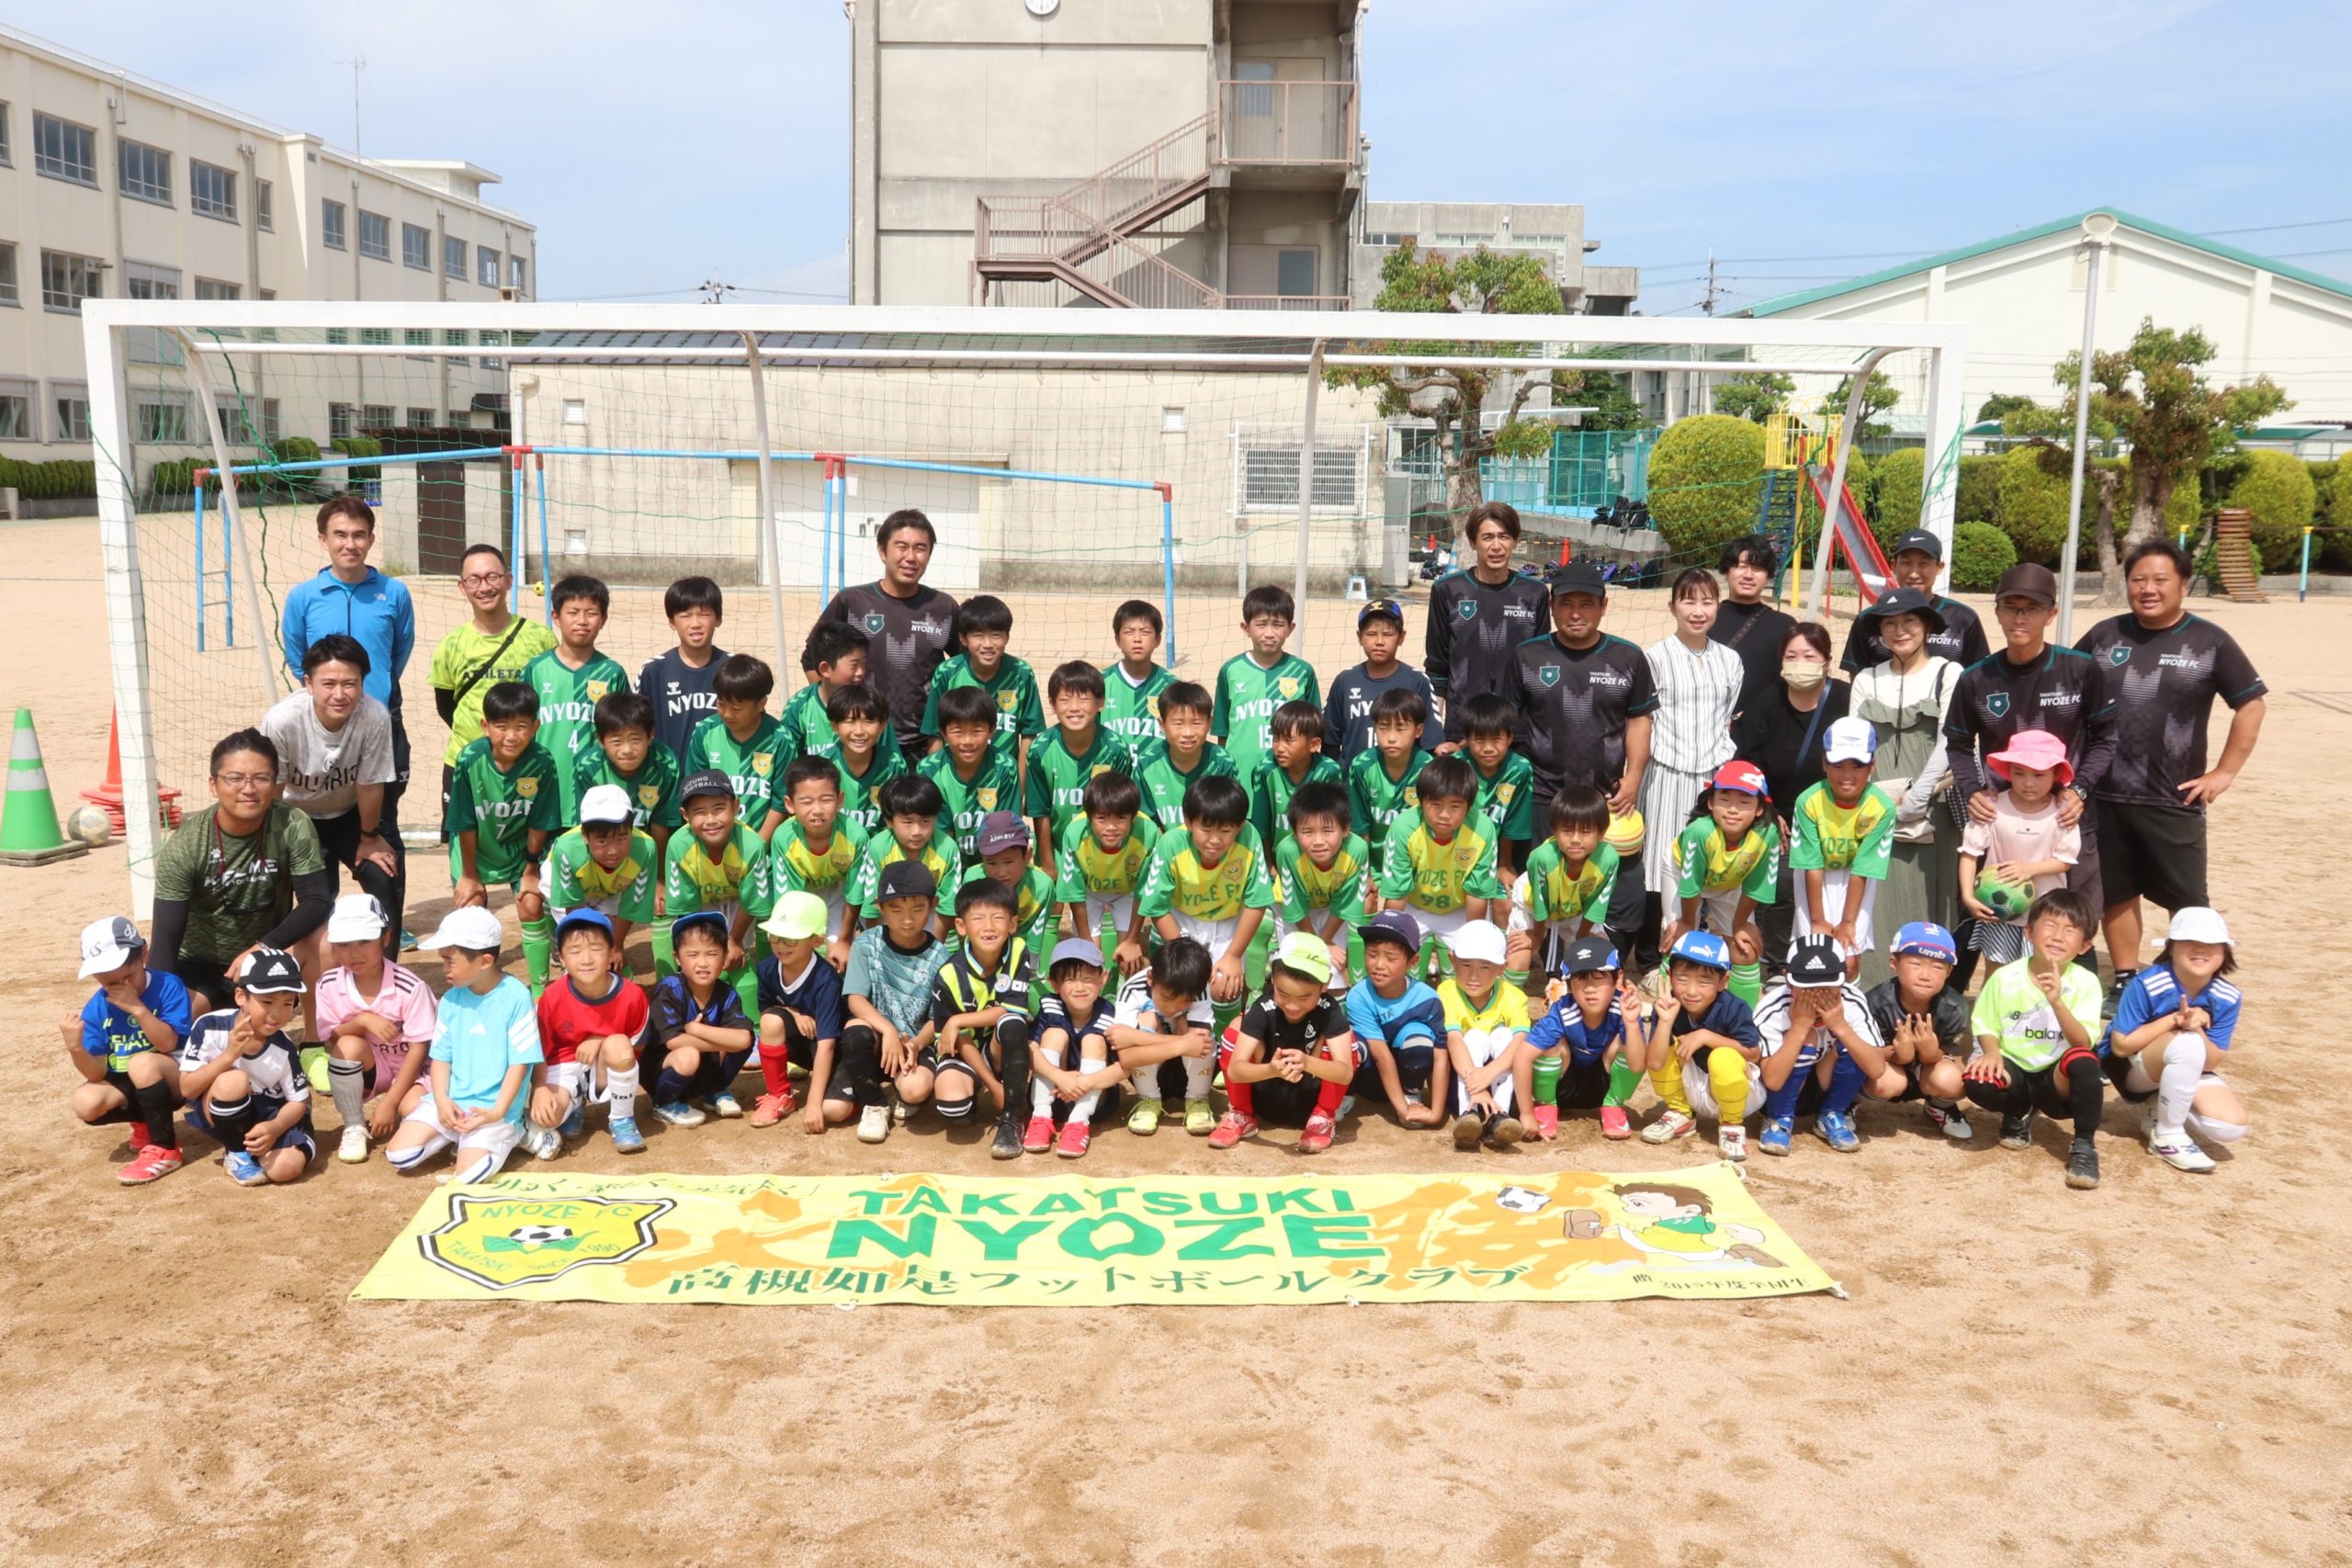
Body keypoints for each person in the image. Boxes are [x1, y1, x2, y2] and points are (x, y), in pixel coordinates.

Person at [2073, 539, 2267, 994]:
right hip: (2104, 793)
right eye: (2138, 579)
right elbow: (2066, 686)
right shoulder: (2104, 635)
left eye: (2160, 579)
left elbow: (2251, 704)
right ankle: (2125, 979)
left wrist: (2224, 773)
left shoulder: (2210, 641)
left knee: (2189, 900)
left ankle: (2192, 984)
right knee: (2117, 893)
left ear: (2183, 584)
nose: (2148, 589)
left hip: (2173, 796)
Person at [1944, 563, 2113, 983]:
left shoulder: (2080, 670)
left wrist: (2080, 789)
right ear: (1997, 612)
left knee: (2073, 922)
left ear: (2051, 614)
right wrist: (1972, 790)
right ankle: (1969, 1002)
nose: (2020, 617)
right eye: (2011, 607)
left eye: (2032, 608)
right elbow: (1958, 745)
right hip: (2001, 821)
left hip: (2065, 817)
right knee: (1990, 922)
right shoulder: (1976, 678)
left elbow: (2106, 739)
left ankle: (2075, 1011)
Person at [279, 494, 415, 931]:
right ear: (324, 540)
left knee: (381, 824)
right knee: (317, 837)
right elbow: (299, 656)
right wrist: (334, 697)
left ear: (371, 539)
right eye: (340, 534)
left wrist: (371, 697)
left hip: (379, 724)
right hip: (324, 727)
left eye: (359, 535)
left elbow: (398, 653)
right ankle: (325, 924)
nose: (350, 543)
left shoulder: (395, 593)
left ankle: (389, 923)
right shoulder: (303, 597)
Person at [1511, 558, 1657, 961]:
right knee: (1545, 889)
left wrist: (1634, 778)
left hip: (1607, 798)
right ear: (1552, 606)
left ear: (1604, 605)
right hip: (1545, 796)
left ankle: (1596, 961)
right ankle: (1550, 967)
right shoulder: (1527, 655)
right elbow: (1509, 724)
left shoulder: (1628, 657)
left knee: (1618, 894)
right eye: (1566, 603)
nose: (1576, 613)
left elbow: (1639, 720)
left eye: (1586, 604)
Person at [148, 729, 332, 1013]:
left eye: (261, 778)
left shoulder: (292, 823)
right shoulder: (187, 844)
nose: (248, 789)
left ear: (274, 783)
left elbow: (317, 900)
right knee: (173, 1023)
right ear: (213, 785)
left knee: (326, 939)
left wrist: (265, 946)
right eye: (234, 778)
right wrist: (155, 1005)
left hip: (267, 960)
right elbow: (165, 938)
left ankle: (314, 1036)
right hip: (200, 970)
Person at [1846, 586, 1964, 987]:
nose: (1899, 631)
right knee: (1875, 900)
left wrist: (1916, 798)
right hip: (1876, 807)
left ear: (1927, 626)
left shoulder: (1948, 673)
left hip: (1935, 805)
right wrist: (1877, 804)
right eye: (1889, 624)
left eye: (1909, 621)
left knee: (1932, 900)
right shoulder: (1866, 679)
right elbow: (1856, 744)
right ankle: (1875, 993)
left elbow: (1950, 740)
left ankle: (1929, 996)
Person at [1964, 888, 2107, 1190]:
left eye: (2070, 930)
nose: (2058, 936)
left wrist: (2056, 1001)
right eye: (2050, 925)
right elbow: (1985, 1022)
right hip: (2014, 1067)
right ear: (2029, 932)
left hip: (2056, 1079)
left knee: (2085, 1062)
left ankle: (2084, 1145)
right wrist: (1991, 1052)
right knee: (1977, 1079)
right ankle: (2016, 1112)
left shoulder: (2086, 982)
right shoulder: (2005, 977)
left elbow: (2082, 1042)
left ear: (2085, 945)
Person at [384, 907, 540, 1182]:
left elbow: (520, 1063)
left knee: (469, 1176)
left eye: (450, 961)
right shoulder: (449, 1000)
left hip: (495, 1108)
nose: (444, 968)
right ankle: (460, 1134)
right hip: (455, 1100)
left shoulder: (516, 997)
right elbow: (441, 1058)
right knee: (399, 1155)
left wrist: (498, 1112)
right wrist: (442, 1101)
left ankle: (516, 1129)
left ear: (485, 961)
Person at [1730, 622, 1850, 974]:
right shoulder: (1768, 701)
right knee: (1780, 888)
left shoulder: (1846, 699)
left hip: (1836, 815)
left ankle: (1831, 965)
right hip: (1781, 816)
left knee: (1833, 895)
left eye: (1809, 656)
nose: (1800, 664)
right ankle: (1777, 968)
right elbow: (1746, 762)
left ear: (1827, 661)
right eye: (1791, 656)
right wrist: (1766, 808)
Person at [1641, 569, 1745, 953]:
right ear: (1672, 607)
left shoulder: (1730, 660)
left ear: (1718, 606)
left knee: (1707, 862)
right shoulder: (1654, 658)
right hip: (1666, 773)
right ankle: (1656, 956)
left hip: (1714, 779)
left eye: (1707, 601)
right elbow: (1645, 719)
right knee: (1662, 862)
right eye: (1688, 601)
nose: (1698, 611)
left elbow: (1726, 718)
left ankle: (1702, 950)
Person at [260, 634, 398, 920]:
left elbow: (370, 785)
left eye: (350, 683)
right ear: (309, 684)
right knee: (314, 897)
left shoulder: (374, 716)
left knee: (384, 875)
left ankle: (387, 950)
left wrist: (370, 837)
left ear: (362, 683)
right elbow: (274, 789)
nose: (339, 694)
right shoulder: (283, 720)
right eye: (329, 684)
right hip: (296, 817)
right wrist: (273, 841)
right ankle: (285, 948)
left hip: (349, 815)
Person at [2102, 906, 2247, 1175]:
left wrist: (2198, 1027)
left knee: (2230, 1126)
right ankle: (2168, 1136)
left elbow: (2211, 1061)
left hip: (2184, 1061)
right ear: (2170, 947)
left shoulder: (2228, 996)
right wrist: (2174, 1020)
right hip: (2129, 1069)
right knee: (2186, 1043)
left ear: (2225, 950)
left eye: (2212, 943)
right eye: (2189, 941)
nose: (2201, 949)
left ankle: (2159, 1106)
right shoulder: (2148, 983)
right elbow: (2120, 1046)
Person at [428, 542, 553, 833]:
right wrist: (481, 738)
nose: (484, 587)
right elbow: (446, 707)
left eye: (492, 577)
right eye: (474, 580)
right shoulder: (451, 645)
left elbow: (548, 698)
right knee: (465, 852)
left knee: (527, 850)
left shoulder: (539, 638)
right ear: (462, 587)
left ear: (508, 580)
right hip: (466, 763)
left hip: (525, 764)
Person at [444, 682, 562, 987]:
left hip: (521, 850)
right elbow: (464, 821)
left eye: (521, 727)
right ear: (485, 726)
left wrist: (531, 870)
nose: (511, 736)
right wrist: (469, 875)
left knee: (531, 904)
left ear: (535, 727)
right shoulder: (469, 759)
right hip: (476, 850)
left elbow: (541, 820)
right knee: (470, 911)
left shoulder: (542, 762)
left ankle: (539, 989)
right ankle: (479, 987)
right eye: (501, 726)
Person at [62, 915, 194, 1186]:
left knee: (142, 1064)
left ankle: (165, 1148)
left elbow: (168, 1044)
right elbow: (97, 1073)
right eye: (109, 983)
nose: (122, 988)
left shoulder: (168, 985)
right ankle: (145, 1121)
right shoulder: (97, 1007)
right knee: (85, 1102)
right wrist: (75, 1047)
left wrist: (138, 1009)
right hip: (132, 1079)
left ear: (144, 954)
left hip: (175, 1072)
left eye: (127, 977)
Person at [817, 508, 961, 750]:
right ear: (882, 551)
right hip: (864, 744)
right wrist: (838, 709)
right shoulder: (852, 602)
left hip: (926, 745)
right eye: (901, 547)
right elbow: (812, 658)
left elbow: (966, 667)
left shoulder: (943, 607)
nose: (911, 557)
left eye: (920, 548)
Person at [1749, 935, 1903, 1157]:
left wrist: (1841, 1027)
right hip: (1779, 1089)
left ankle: (1832, 1113)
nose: (1818, 996)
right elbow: (1772, 1080)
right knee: (1808, 1038)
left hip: (1825, 1081)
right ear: (1788, 981)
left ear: (1843, 979)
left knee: (1854, 1044)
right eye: (1807, 988)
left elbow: (1877, 1068)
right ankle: (1779, 1119)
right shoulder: (1772, 1007)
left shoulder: (1852, 1000)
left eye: (1827, 987)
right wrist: (1799, 1029)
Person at [1136, 774, 1273, 1022]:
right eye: (1206, 829)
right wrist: (1184, 956)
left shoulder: (1249, 837)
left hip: (1228, 920)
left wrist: (1232, 956)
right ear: (1188, 822)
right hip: (1182, 920)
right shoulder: (1171, 844)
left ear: (1239, 826)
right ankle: (1175, 1027)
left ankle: (1224, 1038)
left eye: (1226, 831)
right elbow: (1157, 907)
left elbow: (1257, 901)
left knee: (1223, 986)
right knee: (1185, 982)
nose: (1215, 840)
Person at [175, 948, 316, 1187]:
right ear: (241, 996)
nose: (276, 1013)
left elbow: (299, 1102)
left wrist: (275, 1127)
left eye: (287, 1003)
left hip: (273, 1114)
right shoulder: (210, 1026)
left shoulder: (283, 1047)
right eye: (267, 1002)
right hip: (223, 1105)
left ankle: (258, 1148)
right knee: (233, 1080)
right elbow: (187, 1089)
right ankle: (237, 1152)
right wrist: (229, 1056)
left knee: (285, 1169)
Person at [314, 893, 436, 1166]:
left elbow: (419, 1049)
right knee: (346, 1046)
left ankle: (414, 1113)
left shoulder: (410, 987)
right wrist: (362, 1021)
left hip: (415, 1069)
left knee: (412, 1109)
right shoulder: (328, 984)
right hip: (376, 1064)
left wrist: (390, 1103)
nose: (354, 953)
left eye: (364, 941)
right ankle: (354, 1125)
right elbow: (332, 1037)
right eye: (343, 944)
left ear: (386, 937)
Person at [1210, 932, 1357, 1155]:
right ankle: (1242, 1114)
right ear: (1273, 979)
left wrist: (1306, 1062)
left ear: (1325, 984)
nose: (1292, 1006)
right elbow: (1235, 1071)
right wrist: (1271, 1070)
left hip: (1310, 1101)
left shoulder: (1330, 1011)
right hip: (1266, 1097)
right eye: (1283, 994)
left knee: (1346, 1039)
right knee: (1235, 1030)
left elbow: (1345, 1073)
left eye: (1304, 997)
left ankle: (1323, 1116)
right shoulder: (1262, 1008)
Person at [838, 860, 952, 1144]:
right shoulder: (866, 944)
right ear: (880, 908)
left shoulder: (941, 956)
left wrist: (916, 1044)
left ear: (933, 905)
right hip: (878, 1041)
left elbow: (938, 1018)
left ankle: (902, 1088)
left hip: (914, 1044)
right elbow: (856, 999)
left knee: (915, 1090)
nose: (907, 919)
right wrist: (887, 1029)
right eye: (896, 910)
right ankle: (875, 1103)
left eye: (917, 909)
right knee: (854, 1031)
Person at [1424, 500, 1551, 744]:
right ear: (1473, 542)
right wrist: (1435, 737)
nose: (1496, 546)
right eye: (1487, 537)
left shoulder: (1534, 594)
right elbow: (1437, 670)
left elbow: (1540, 668)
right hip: (1463, 732)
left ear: (1515, 541)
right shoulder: (1448, 591)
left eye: (1504, 537)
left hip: (1517, 734)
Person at [931, 874, 1040, 1152]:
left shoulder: (1018, 950)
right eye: (978, 919)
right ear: (961, 926)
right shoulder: (949, 974)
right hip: (965, 1051)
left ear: (1013, 924)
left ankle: (1012, 1119)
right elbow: (960, 1039)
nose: (989, 927)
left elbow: (1010, 1009)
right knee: (955, 1108)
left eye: (998, 918)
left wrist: (958, 1020)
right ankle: (985, 1090)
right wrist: (993, 1087)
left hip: (998, 1050)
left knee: (1013, 1022)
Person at [527, 908, 650, 1155]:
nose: (586, 959)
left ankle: (622, 1119)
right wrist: (540, 1087)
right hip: (563, 1064)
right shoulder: (552, 997)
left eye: (596, 949)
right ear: (561, 958)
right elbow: (538, 1051)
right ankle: (574, 1103)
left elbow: (637, 1046)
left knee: (619, 1045)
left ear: (612, 953)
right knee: (547, 1118)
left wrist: (601, 1040)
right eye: (575, 951)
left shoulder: (632, 995)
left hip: (604, 1063)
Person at [1957, 729, 2080, 967]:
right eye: (2019, 773)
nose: (2028, 782)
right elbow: (1969, 853)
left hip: (2046, 914)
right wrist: (1968, 896)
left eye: (2039, 774)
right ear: (2008, 771)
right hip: (1999, 913)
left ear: (2056, 774)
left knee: (2042, 972)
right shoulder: (1991, 807)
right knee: (1996, 971)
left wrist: (2029, 869)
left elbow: (2065, 860)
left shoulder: (2063, 812)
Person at [1636, 929, 1764, 1159]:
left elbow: (1753, 1053)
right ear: (1670, 975)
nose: (1691, 991)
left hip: (1740, 1093)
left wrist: (1705, 1036)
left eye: (1704, 980)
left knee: (1723, 1057)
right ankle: (1681, 1113)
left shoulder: (1734, 1008)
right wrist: (1665, 1022)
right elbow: (1655, 1063)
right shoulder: (1667, 1005)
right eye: (1683, 979)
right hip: (1695, 1088)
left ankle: (1732, 1125)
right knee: (1663, 1045)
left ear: (1723, 981)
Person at [1663, 760, 1780, 1007]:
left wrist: (1740, 924)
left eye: (1745, 802)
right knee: (1679, 941)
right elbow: (1692, 884)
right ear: (1711, 802)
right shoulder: (1700, 832)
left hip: (1731, 880)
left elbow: (1758, 885)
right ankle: (1669, 1011)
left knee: (1745, 948)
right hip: (1681, 874)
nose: (1733, 809)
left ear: (1760, 808)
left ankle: (1743, 1017)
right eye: (1724, 799)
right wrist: (1687, 923)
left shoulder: (1768, 834)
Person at [662, 770, 778, 1010]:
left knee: (737, 957)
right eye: (700, 812)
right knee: (707, 959)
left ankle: (762, 1006)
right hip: (702, 902)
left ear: (735, 807)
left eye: (718, 808)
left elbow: (752, 902)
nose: (711, 820)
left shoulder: (752, 844)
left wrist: (734, 940)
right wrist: (706, 947)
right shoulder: (679, 845)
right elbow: (687, 907)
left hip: (739, 900)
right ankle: (687, 999)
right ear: (685, 815)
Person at [1789, 716, 1897, 976]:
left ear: (1872, 765)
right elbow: (1811, 865)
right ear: (1824, 763)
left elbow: (1863, 868)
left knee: (1848, 963)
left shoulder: (1883, 808)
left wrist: (1848, 921)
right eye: (1837, 765)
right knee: (1815, 953)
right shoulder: (1808, 801)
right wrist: (1817, 920)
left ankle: (1847, 1003)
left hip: (1856, 877)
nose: (1847, 775)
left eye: (1857, 765)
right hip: (1813, 875)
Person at [1376, 754, 1504, 970]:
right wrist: (1391, 939)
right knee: (1391, 962)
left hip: (1460, 909)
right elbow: (1397, 895)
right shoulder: (1403, 828)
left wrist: (1472, 940)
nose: (1444, 815)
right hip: (1414, 907)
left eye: (1455, 806)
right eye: (1435, 804)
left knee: (1474, 965)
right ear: (1421, 801)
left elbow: (1477, 894)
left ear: (1469, 806)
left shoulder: (1483, 829)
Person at [524, 574, 631, 822]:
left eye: (591, 613)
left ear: (603, 619)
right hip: (545, 788)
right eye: (573, 612)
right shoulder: (536, 669)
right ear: (556, 617)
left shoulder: (612, 672)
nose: (582, 621)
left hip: (598, 790)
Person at [1521, 935, 1646, 1140]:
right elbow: (1523, 1057)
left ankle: (1613, 1106)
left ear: (1618, 978)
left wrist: (1631, 1024)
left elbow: (1638, 1065)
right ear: (1569, 983)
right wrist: (1526, 1113)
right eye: (1580, 978)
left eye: (1598, 977)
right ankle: (1545, 1106)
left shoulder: (1624, 1008)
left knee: (1628, 1042)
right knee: (1549, 1043)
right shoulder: (1562, 1010)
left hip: (1603, 1087)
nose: (1589, 988)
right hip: (1561, 1088)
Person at [643, 910, 757, 1129]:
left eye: (712, 954)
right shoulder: (670, 988)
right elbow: (674, 1041)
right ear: (677, 958)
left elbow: (744, 1039)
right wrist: (724, 1043)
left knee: (745, 1039)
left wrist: (696, 1029)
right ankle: (664, 1103)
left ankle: (715, 1090)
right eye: (693, 954)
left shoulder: (727, 993)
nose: (703, 963)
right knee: (689, 1054)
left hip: (702, 1066)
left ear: (725, 957)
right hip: (662, 1069)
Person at [1862, 920, 1974, 1140]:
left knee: (1953, 1080)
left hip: (1926, 1069)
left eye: (1937, 967)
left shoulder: (1954, 1006)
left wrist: (1931, 1052)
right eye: (1915, 963)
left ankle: (1939, 1106)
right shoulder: (1874, 1002)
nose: (1925, 975)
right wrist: (1897, 1054)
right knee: (1886, 1082)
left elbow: (1956, 1056)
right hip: (1889, 1069)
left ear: (1949, 971)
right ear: (1894, 963)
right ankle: (1848, 1103)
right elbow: (1865, 1052)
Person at [1343, 911, 1451, 1131]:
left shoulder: (1428, 998)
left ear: (1413, 961)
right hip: (1370, 1080)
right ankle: (1345, 1094)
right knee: (1352, 1043)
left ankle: (1411, 1094)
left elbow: (1441, 1058)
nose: (1379, 964)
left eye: (1391, 958)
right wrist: (1403, 1111)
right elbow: (1381, 1057)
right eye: (1372, 954)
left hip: (1404, 1074)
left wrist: (1437, 1113)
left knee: (1418, 1036)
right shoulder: (1358, 996)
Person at [1025, 660, 1135, 874]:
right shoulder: (1040, 750)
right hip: (1057, 852)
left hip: (1104, 853)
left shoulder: (1116, 749)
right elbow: (1040, 811)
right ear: (1052, 704)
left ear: (1100, 703)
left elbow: (1124, 808)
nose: (1074, 708)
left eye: (1084, 699)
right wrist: (1048, 864)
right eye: (1065, 700)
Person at [752, 892, 848, 1134]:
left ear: (816, 941)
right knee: (770, 1021)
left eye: (791, 939)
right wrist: (793, 1013)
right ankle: (779, 1095)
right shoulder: (766, 968)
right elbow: (767, 1010)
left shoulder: (827, 980)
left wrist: (813, 1105)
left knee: (835, 1111)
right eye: (775, 936)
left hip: (833, 1050)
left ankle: (857, 1095)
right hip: (805, 1045)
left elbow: (827, 1044)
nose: (780, 945)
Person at [1103, 936, 1216, 1137]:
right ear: (1150, 978)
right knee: (1148, 1019)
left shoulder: (1197, 987)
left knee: (1197, 1032)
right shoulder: (1132, 990)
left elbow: (1200, 1044)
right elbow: (1127, 1058)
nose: (1173, 1007)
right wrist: (1183, 1044)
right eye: (1166, 998)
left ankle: (1198, 1099)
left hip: (1189, 1074)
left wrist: (1135, 1037)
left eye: (1185, 1001)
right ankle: (1148, 1100)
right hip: (1151, 1073)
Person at [1504, 788, 1618, 985]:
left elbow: (1597, 904)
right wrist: (1536, 936)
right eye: (1567, 830)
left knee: (1599, 958)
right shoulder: (1542, 858)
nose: (1575, 839)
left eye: (1586, 830)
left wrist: (1582, 937)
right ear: (1554, 829)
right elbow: (1540, 901)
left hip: (1576, 909)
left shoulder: (1609, 859)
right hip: (1533, 906)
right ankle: (1508, 997)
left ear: (1602, 832)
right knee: (1518, 960)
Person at [1021, 937, 1121, 1159]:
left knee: (1094, 1040)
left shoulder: (1110, 1013)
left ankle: (1078, 1123)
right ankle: (1041, 1117)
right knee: (1053, 1034)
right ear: (1054, 983)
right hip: (1053, 1095)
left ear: (1103, 978)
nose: (1080, 987)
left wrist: (1085, 1082)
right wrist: (1060, 1077)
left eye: (1088, 979)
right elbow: (1030, 1049)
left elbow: (1123, 1068)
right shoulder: (1050, 1006)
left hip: (1094, 1101)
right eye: (1070, 979)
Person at [1838, 529, 1989, 672]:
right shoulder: (1870, 619)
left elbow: (1977, 679)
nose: (1914, 574)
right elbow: (1858, 679)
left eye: (1924, 564)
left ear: (1939, 567)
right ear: (1894, 566)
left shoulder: (1964, 618)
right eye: (1906, 563)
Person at [1436, 919, 1530, 1151]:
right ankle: (1468, 1113)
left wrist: (1488, 1073)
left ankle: (1500, 1115)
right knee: (1474, 1037)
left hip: (1498, 1076)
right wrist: (1477, 1086)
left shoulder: (1514, 996)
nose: (1474, 976)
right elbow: (1454, 1039)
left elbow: (1520, 1042)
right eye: (1465, 965)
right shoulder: (1446, 991)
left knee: (1505, 1035)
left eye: (1485, 967)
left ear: (1502, 968)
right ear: (1452, 960)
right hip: (1463, 1078)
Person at [1054, 772, 1158, 978]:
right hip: (1090, 892)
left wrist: (1132, 940)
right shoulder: (1075, 834)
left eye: (1121, 818)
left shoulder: (1148, 833)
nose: (1111, 827)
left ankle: (1124, 991)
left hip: (1128, 892)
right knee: (1089, 957)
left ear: (1134, 817)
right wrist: (1086, 940)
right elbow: (1074, 892)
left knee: (1128, 958)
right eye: (1101, 818)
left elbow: (1145, 891)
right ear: (1089, 816)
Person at [544, 784, 661, 965]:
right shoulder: (566, 849)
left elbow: (631, 907)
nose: (613, 850)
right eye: (602, 841)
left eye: (622, 838)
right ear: (585, 836)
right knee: (580, 936)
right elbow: (574, 908)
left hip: (611, 886)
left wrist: (616, 946)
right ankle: (558, 940)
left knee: (608, 934)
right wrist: (585, 955)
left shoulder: (646, 849)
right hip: (566, 880)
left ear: (632, 830)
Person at [1272, 778, 1370, 993]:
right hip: (1293, 912)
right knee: (1297, 967)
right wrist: (1319, 945)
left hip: (1331, 911)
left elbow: (1344, 905)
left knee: (1332, 975)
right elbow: (1295, 906)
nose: (1318, 841)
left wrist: (1324, 942)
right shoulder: (1287, 851)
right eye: (1307, 832)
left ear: (1345, 829)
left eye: (1327, 831)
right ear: (1294, 832)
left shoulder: (1357, 850)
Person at [681, 654, 792, 841]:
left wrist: (757, 846)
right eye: (720, 704)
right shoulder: (704, 733)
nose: (727, 714)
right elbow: (695, 794)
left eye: (737, 708)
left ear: (761, 704)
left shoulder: (780, 739)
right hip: (713, 843)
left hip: (760, 845)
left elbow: (780, 802)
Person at [921, 594, 1044, 763]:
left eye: (996, 635)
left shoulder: (1021, 673)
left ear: (1007, 637)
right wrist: (937, 775)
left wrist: (1019, 779)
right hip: (956, 772)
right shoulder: (947, 673)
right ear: (963, 638)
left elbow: (1029, 734)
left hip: (1004, 775)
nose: (987, 644)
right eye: (978, 635)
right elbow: (934, 732)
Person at [767, 755, 868, 961]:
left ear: (840, 800)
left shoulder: (856, 836)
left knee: (837, 956)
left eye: (826, 800)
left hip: (839, 892)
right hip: (802, 894)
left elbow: (854, 895)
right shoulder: (783, 838)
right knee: (799, 953)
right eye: (806, 802)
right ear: (790, 804)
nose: (818, 810)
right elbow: (789, 898)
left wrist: (844, 940)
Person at [847, 773, 961, 942]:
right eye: (908, 822)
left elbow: (946, 906)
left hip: (928, 916)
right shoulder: (878, 847)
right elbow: (872, 906)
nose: (917, 831)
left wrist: (934, 949)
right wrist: (879, 946)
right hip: (888, 916)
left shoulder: (947, 848)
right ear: (889, 821)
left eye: (925, 821)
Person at [918, 684, 1023, 862]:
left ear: (992, 730)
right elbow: (939, 833)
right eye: (958, 732)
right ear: (943, 733)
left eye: (977, 731)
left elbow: (1006, 826)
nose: (967, 741)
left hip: (993, 863)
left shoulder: (1005, 767)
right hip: (946, 860)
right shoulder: (929, 770)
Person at [1326, 597, 1441, 761]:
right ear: (1359, 636)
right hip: (1353, 776)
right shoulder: (1345, 681)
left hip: (1402, 776)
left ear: (1401, 637)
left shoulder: (1417, 681)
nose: (1379, 642)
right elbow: (1330, 740)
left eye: (1388, 634)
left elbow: (1430, 742)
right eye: (1371, 634)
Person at [573, 692, 682, 865]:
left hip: (647, 857)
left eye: (635, 739)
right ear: (601, 740)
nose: (627, 750)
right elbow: (588, 828)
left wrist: (659, 875)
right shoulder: (588, 767)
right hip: (605, 855)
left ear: (650, 736)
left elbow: (662, 824)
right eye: (617, 741)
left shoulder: (666, 765)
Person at [638, 575, 729, 761]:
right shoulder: (654, 671)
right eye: (685, 616)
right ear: (672, 621)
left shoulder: (733, 668)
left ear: (718, 618)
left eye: (704, 614)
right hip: (671, 775)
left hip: (722, 774)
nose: (695, 624)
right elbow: (635, 726)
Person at [1131, 680, 1238, 831]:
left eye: (1196, 723)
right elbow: (1146, 825)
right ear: (1162, 725)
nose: (1188, 733)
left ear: (1209, 723)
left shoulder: (1223, 764)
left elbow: (1231, 818)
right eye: (1178, 723)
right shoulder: (1146, 765)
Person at [1709, 534, 1798, 716]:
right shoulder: (1705, 619)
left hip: (1762, 725)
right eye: (1741, 566)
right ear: (1726, 572)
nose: (1748, 575)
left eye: (1757, 568)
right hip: (1708, 723)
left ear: (1768, 576)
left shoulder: (1785, 626)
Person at [1346, 687, 1437, 852]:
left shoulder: (1428, 768)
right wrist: (1366, 868)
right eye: (1383, 728)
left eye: (1401, 728)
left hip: (1413, 859)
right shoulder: (1361, 767)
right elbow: (1359, 827)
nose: (1391, 738)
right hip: (1373, 862)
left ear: (1418, 731)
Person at [1248, 701, 1342, 859]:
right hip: (1277, 861)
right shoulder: (1264, 770)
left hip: (1318, 860)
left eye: (1288, 740)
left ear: (1314, 744)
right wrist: (1269, 865)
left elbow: (1335, 823)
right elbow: (1261, 826)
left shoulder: (1329, 771)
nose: (1279, 748)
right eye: (1276, 739)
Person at [816, 682, 907, 842]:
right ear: (835, 726)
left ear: (882, 726)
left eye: (869, 721)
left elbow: (901, 818)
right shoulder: (822, 766)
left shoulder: (894, 766)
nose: (859, 731)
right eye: (849, 721)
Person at [1461, 694, 1535, 878]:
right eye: (1479, 739)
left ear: (1510, 738)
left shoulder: (1520, 770)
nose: (1488, 748)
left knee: (1507, 895)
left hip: (1494, 857)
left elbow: (1513, 822)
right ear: (1467, 739)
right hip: (1457, 854)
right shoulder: (1456, 766)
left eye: (1496, 739)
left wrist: (1503, 865)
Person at [780, 619, 869, 761]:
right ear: (825, 669)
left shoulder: (872, 704)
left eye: (863, 664)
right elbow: (788, 762)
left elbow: (889, 760)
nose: (861, 672)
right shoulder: (798, 707)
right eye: (854, 665)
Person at [1101, 599, 1174, 750]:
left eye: (1145, 632)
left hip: (1155, 766)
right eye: (1129, 632)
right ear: (1117, 639)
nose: (1137, 639)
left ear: (1158, 640)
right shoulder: (1098, 684)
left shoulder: (1173, 687)